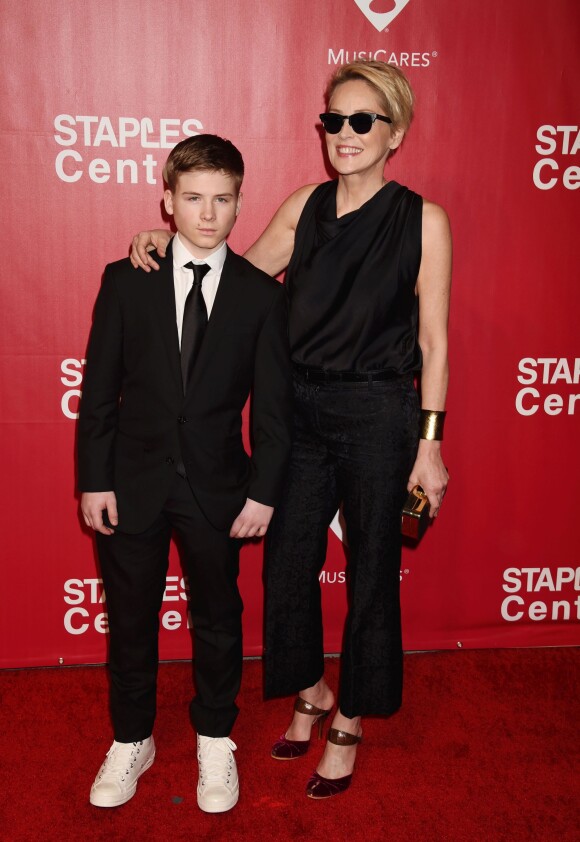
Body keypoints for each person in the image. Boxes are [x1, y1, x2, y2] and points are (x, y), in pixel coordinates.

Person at [130, 60, 451, 800]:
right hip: (299, 411)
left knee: (372, 571)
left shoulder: (422, 220)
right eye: (333, 120)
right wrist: (172, 238)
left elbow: (433, 339)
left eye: (362, 120)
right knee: (283, 567)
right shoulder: (305, 207)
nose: (345, 133)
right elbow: (235, 275)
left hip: (379, 412)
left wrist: (429, 446)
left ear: (394, 131)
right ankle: (310, 689)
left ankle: (353, 718)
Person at [78, 134, 293, 813]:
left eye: (222, 200)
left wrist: (263, 490)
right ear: (166, 201)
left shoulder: (262, 296)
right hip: (131, 481)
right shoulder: (125, 280)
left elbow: (274, 409)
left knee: (219, 619)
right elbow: (98, 391)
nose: (207, 214)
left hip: (218, 486)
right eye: (193, 198)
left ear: (238, 204)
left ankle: (214, 739)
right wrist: (93, 478)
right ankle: (131, 738)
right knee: (132, 620)